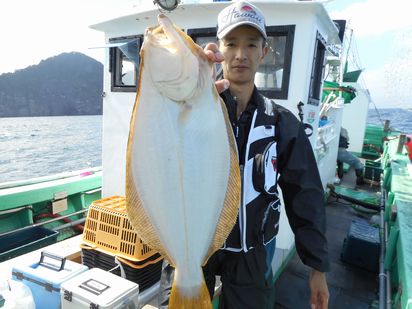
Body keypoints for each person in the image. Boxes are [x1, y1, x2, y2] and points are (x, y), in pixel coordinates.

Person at [159, 2, 330, 308]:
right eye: (231, 44)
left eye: (251, 44)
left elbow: (305, 194)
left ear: (264, 51)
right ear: (219, 49)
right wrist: (195, 79)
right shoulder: (190, 108)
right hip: (197, 245)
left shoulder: (281, 122)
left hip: (253, 251)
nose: (240, 54)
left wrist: (317, 267)